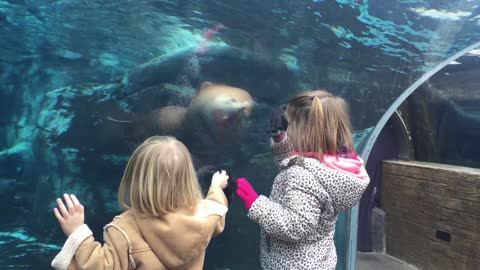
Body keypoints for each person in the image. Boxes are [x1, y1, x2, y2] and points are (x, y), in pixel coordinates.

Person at [236, 90, 370, 270]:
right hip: (317, 261)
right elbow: (294, 165)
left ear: (304, 133)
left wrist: (256, 204)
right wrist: (280, 138)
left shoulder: (302, 175)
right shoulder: (335, 164)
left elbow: (295, 226)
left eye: (290, 125)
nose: (287, 127)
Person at [51, 136, 230, 270]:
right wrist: (216, 187)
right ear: (187, 179)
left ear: (135, 180)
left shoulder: (126, 230)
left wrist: (77, 232)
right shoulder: (202, 217)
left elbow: (99, 266)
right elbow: (216, 210)